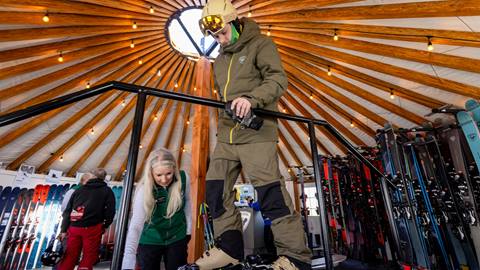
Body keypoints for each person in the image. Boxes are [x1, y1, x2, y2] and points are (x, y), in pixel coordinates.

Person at [195, 0, 312, 269]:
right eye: (215, 36)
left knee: (270, 193)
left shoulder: (261, 44)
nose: (220, 40)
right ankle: (228, 247)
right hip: (227, 135)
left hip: (257, 133)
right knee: (215, 191)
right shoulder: (220, 60)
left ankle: (294, 257)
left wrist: (252, 98)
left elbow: (277, 79)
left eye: (223, 33)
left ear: (235, 23)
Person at [122, 148, 192, 270]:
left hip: (177, 237)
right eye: (159, 175)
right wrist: (128, 259)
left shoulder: (183, 178)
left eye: (168, 173)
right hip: (150, 239)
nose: (164, 179)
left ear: (174, 169)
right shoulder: (144, 189)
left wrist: (188, 230)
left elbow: (188, 203)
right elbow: (136, 225)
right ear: (151, 173)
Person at [57, 168, 116, 270]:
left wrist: (63, 230)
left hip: (74, 227)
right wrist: (106, 225)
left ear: (93, 176)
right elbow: (110, 211)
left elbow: (67, 211)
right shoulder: (107, 191)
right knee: (88, 257)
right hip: (93, 227)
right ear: (103, 178)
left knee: (70, 255)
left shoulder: (79, 190)